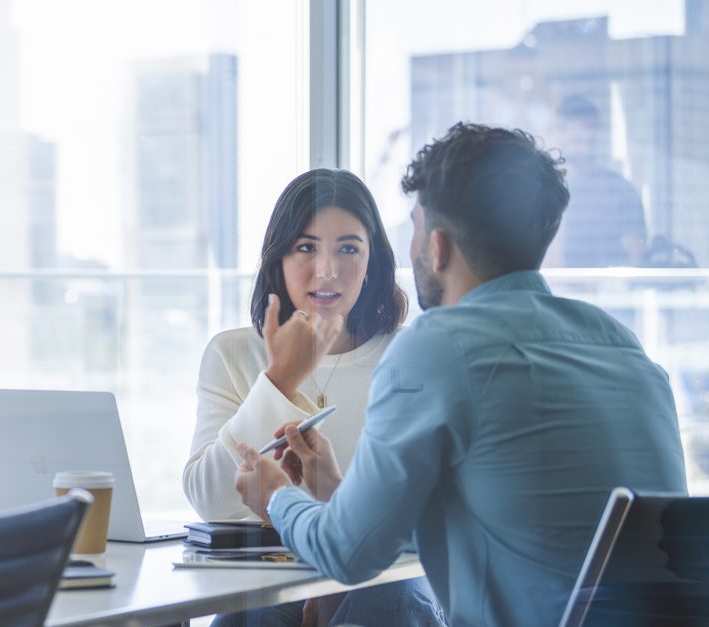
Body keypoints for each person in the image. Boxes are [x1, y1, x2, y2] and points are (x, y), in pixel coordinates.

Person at [233, 123, 687, 627]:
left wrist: (276, 496)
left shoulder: (438, 347)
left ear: (438, 245)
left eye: (415, 228)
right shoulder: (623, 347)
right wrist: (340, 493)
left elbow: (347, 555)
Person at [184, 169, 443, 626]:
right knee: (252, 615)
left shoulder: (413, 354)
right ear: (278, 260)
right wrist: (280, 381)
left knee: (392, 599)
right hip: (272, 577)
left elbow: (430, 521)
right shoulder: (232, 352)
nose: (326, 269)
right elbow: (211, 500)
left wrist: (337, 585)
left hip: (387, 577)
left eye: (348, 248)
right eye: (306, 248)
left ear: (373, 264)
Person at [547, 95, 647, 267]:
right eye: (577, 141)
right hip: (553, 290)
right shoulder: (541, 192)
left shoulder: (621, 191)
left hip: (608, 291)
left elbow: (636, 258)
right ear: (559, 137)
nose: (585, 150)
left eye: (591, 142)